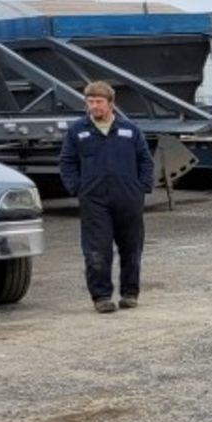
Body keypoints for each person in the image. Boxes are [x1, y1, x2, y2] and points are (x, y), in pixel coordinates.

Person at [57, 81, 154, 313]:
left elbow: (145, 160)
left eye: (99, 102)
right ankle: (101, 297)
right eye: (90, 102)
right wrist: (76, 188)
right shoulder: (78, 131)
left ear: (111, 103)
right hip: (94, 200)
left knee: (131, 248)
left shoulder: (130, 130)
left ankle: (130, 293)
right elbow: (67, 162)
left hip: (128, 198)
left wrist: (142, 187)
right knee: (97, 250)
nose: (94, 106)